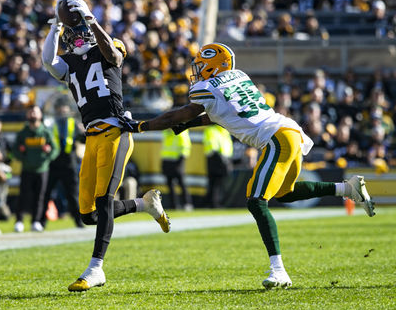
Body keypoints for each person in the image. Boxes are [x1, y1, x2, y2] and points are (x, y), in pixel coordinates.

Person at [123, 42, 375, 289]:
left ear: (213, 65)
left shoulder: (207, 87)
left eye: (201, 65)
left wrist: (141, 126)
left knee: (256, 200)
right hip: (289, 131)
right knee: (285, 194)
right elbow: (221, 114)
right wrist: (189, 124)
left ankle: (279, 271)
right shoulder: (239, 76)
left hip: (276, 138)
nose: (197, 71)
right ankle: (347, 189)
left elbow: (175, 115)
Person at [42, 0, 170, 292]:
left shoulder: (107, 46)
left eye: (77, 30)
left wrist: (92, 20)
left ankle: (95, 268)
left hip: (116, 133)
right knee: (88, 214)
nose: (74, 36)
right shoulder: (71, 62)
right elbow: (49, 62)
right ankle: (144, 203)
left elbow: (114, 56)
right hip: (92, 138)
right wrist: (55, 28)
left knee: (104, 201)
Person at [11, 105, 59, 233]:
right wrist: (23, 157)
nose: (33, 114)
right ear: (27, 115)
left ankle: (35, 221)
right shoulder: (23, 133)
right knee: (23, 196)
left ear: (40, 115)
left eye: (35, 112)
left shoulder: (46, 132)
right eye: (30, 112)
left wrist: (47, 156)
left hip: (42, 170)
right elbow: (15, 150)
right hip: (27, 169)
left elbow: (55, 149)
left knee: (39, 197)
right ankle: (19, 221)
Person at [42, 100, 84, 228]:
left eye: (64, 107)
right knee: (47, 193)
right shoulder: (50, 123)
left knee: (73, 194)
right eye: (60, 107)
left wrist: (83, 132)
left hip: (68, 162)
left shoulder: (73, 123)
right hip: (53, 162)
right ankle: (40, 222)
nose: (62, 110)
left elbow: (83, 140)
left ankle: (78, 221)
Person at [160, 127, 192, 210]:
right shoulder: (166, 132)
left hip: (177, 161)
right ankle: (173, 205)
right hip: (167, 160)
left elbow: (185, 147)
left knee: (181, 183)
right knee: (170, 184)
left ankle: (187, 204)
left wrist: (181, 160)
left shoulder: (182, 132)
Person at [202, 123, 233, 207]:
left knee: (217, 183)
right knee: (215, 183)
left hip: (223, 159)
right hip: (215, 159)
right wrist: (224, 160)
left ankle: (213, 203)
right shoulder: (212, 130)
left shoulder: (224, 131)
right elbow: (212, 147)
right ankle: (214, 203)